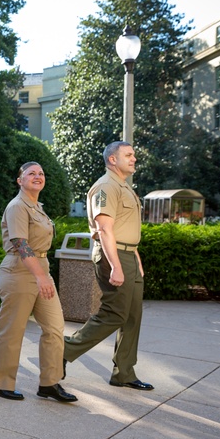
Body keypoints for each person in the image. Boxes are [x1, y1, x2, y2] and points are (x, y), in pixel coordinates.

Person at [64, 141, 154, 391]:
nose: (134, 158)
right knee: (114, 313)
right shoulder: (105, 186)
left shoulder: (124, 187)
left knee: (133, 316)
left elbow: (126, 229)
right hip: (113, 255)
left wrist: (135, 258)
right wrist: (116, 265)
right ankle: (62, 350)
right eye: (128, 155)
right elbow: (104, 229)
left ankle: (124, 372)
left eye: (134, 154)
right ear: (112, 160)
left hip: (128, 255)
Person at [0, 162, 77, 402]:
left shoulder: (38, 207)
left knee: (55, 327)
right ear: (20, 180)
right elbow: (20, 243)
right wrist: (40, 277)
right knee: (13, 330)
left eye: (41, 173)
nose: (37, 177)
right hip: (19, 271)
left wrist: (42, 275)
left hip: (40, 270)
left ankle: (50, 382)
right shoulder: (18, 206)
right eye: (31, 174)